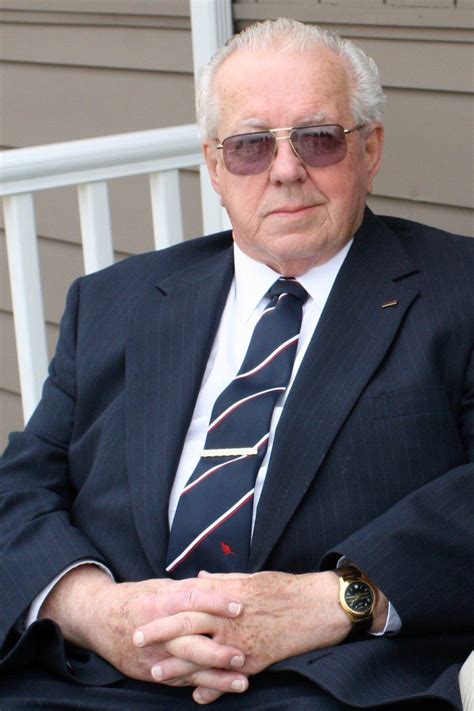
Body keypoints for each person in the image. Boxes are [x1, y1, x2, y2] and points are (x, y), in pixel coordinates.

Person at [0, 17, 472, 711]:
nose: (286, 169)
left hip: (326, 681)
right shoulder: (113, 303)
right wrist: (94, 610)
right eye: (251, 146)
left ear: (369, 149)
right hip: (97, 676)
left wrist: (342, 598)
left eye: (318, 137)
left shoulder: (459, 291)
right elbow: (19, 487)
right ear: (215, 167)